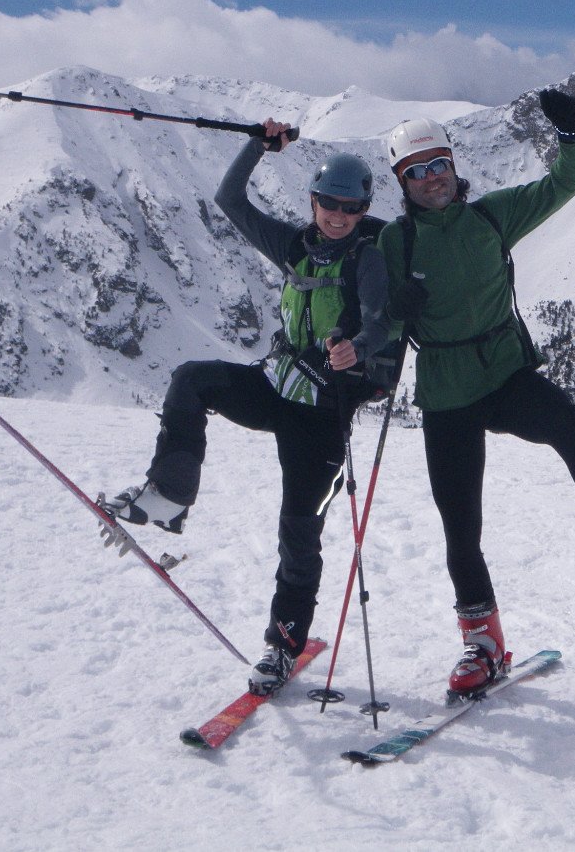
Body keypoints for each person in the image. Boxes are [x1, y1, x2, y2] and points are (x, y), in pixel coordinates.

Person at [378, 89, 575, 698]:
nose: (432, 178)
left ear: (454, 164)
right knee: (461, 528)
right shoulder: (393, 244)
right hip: (447, 393)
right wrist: (392, 309)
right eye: (417, 172)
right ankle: (482, 645)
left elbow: (563, 184)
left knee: (562, 416)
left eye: (438, 164)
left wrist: (571, 136)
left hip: (504, 372)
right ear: (402, 182)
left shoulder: (490, 217)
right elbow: (370, 314)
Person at [101, 120, 398, 694]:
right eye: (329, 204)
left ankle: (282, 646)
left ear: (364, 210)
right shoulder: (294, 246)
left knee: (298, 531)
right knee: (192, 380)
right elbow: (229, 199)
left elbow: (380, 321)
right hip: (274, 388)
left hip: (322, 415)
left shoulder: (368, 259)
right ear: (312, 200)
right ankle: (169, 496)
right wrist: (258, 147)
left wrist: (355, 348)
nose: (338, 216)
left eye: (352, 208)